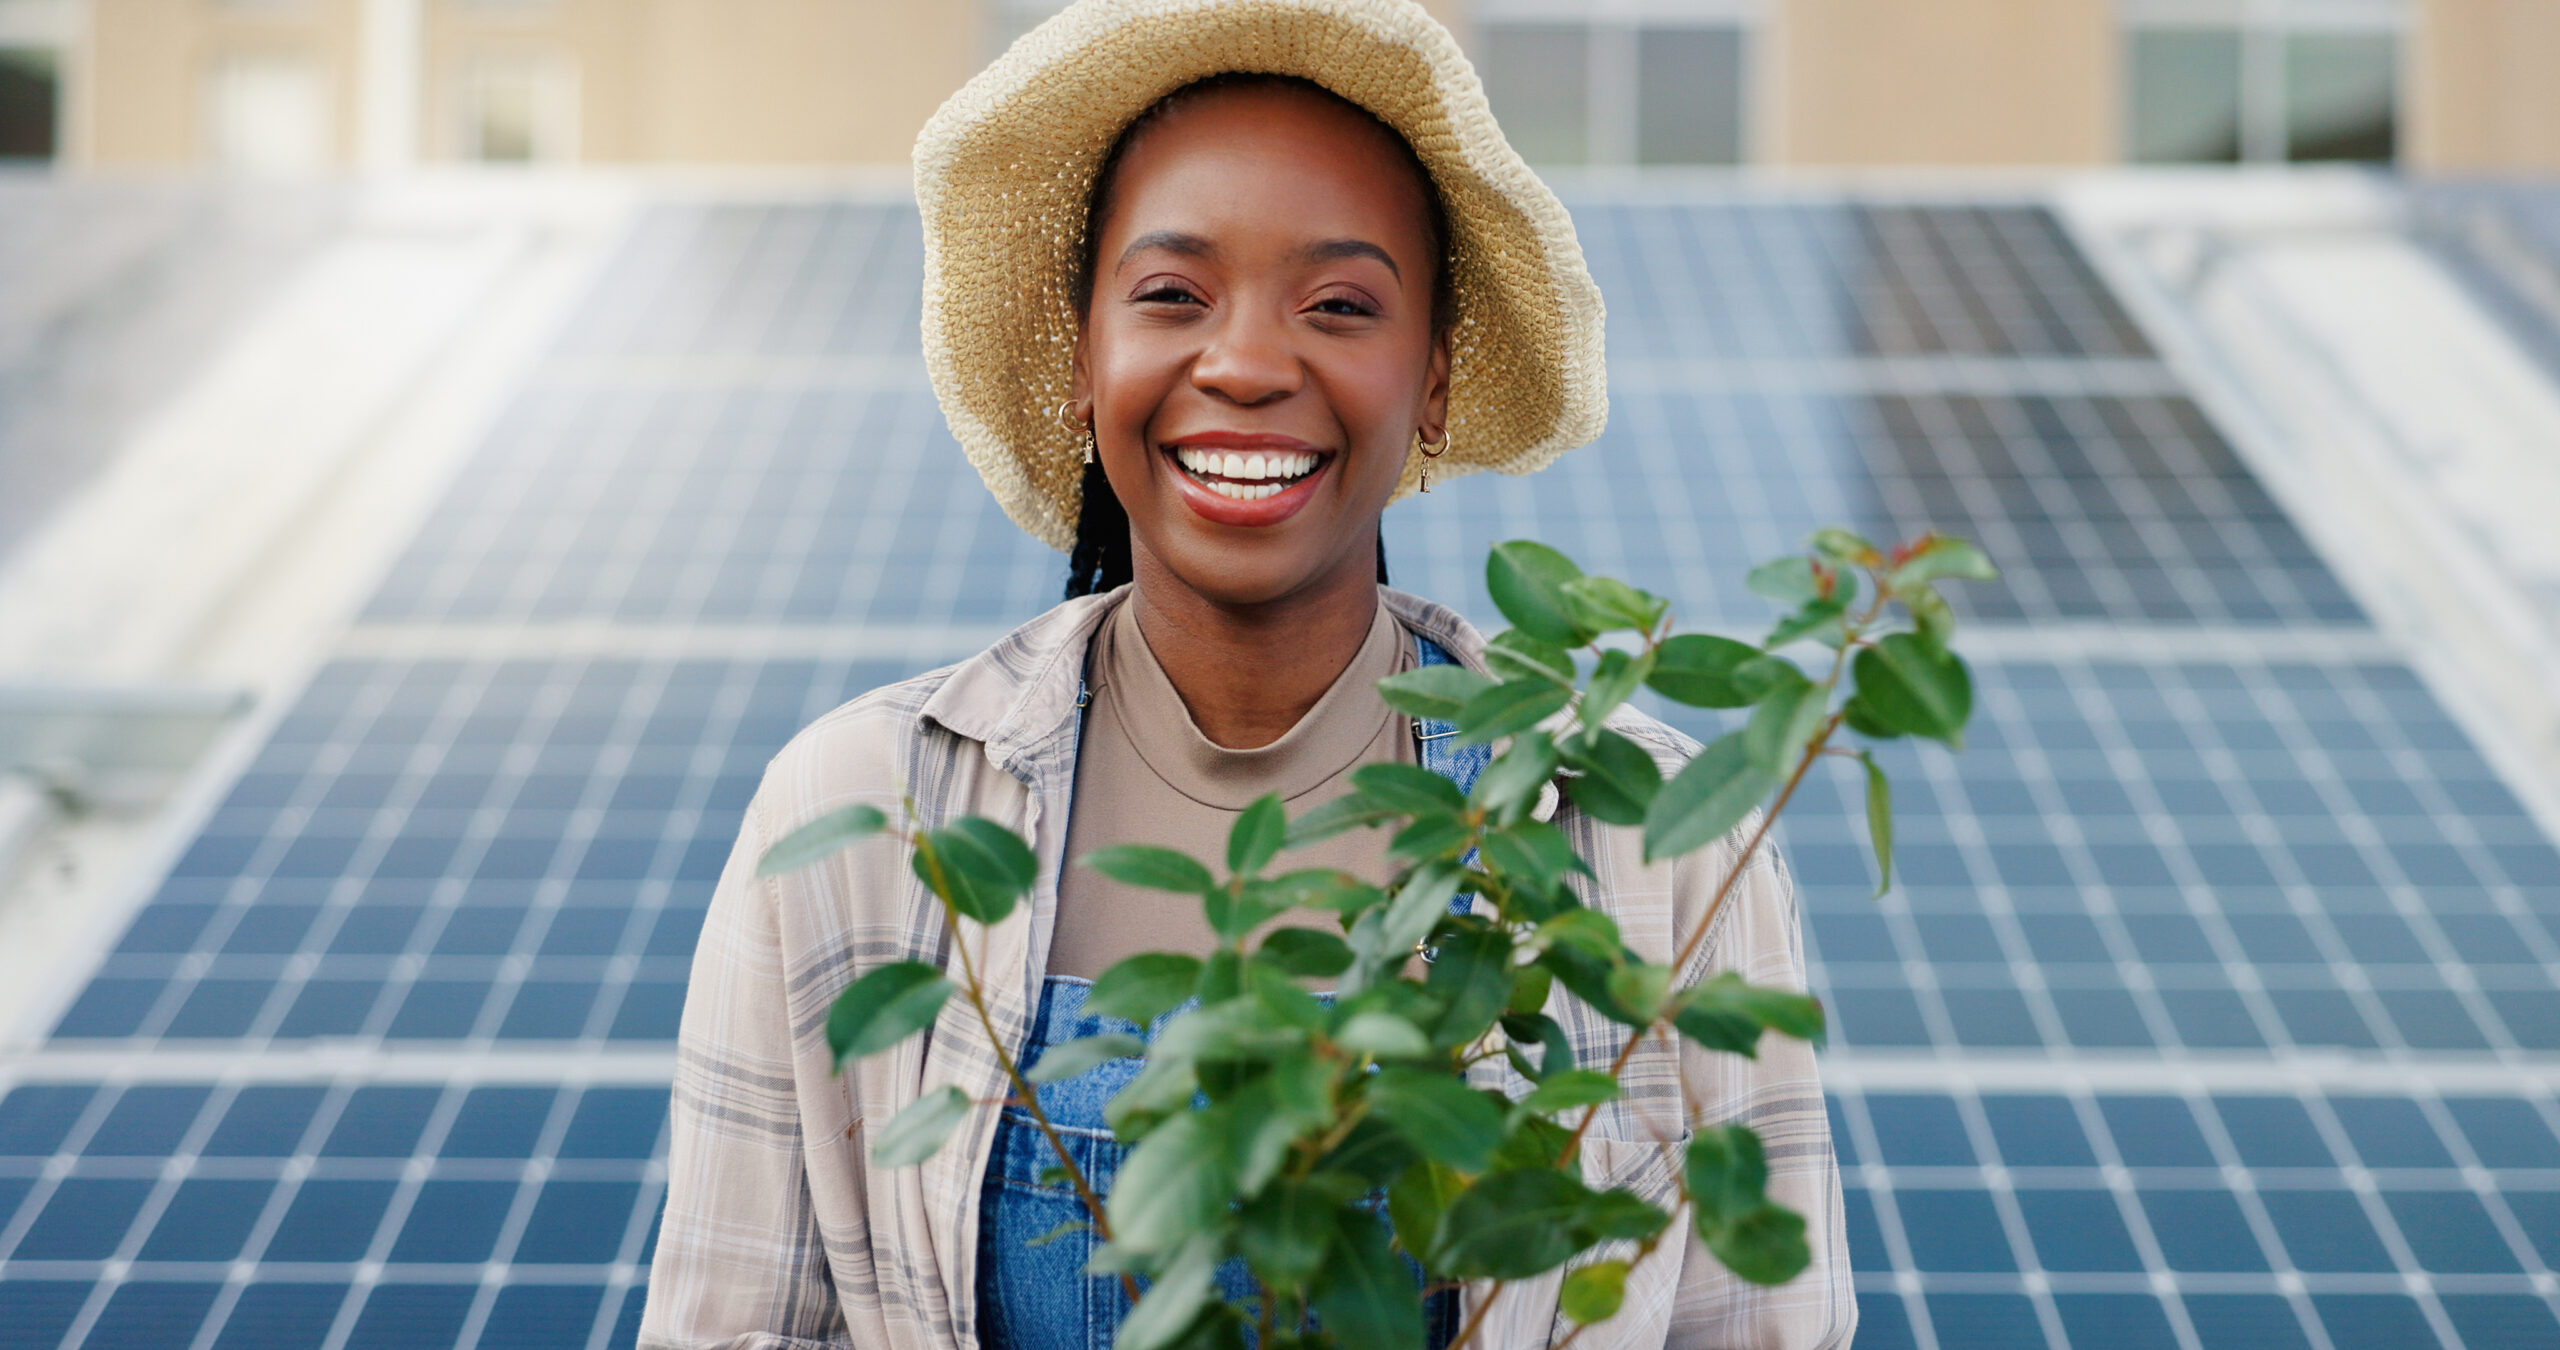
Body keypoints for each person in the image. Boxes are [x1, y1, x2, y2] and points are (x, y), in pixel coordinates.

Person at [641, 2, 1853, 1348]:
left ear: (1435, 377)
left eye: (1340, 304)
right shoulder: (858, 815)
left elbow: (1762, 1323)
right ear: (1085, 354)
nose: (1248, 364)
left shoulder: (1651, 831)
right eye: (1171, 295)